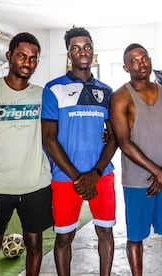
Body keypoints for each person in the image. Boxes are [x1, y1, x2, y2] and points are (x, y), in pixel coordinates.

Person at [0, 32, 53, 275]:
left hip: (35, 185)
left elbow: (56, 133)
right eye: (22, 56)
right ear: (9, 56)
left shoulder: (42, 95)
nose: (28, 63)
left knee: (35, 246)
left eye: (33, 58)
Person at [41, 27, 117, 276]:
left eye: (87, 46)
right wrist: (78, 177)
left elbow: (115, 136)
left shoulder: (106, 92)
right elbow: (48, 138)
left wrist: (94, 173)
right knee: (64, 237)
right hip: (65, 178)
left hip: (101, 175)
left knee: (105, 232)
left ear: (93, 52)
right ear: (68, 53)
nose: (82, 51)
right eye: (76, 47)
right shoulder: (53, 89)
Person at [110, 43, 162, 276]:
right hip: (135, 181)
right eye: (134, 61)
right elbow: (124, 142)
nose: (140, 64)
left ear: (150, 60)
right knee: (136, 237)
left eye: (144, 58)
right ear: (125, 67)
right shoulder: (120, 97)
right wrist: (158, 172)